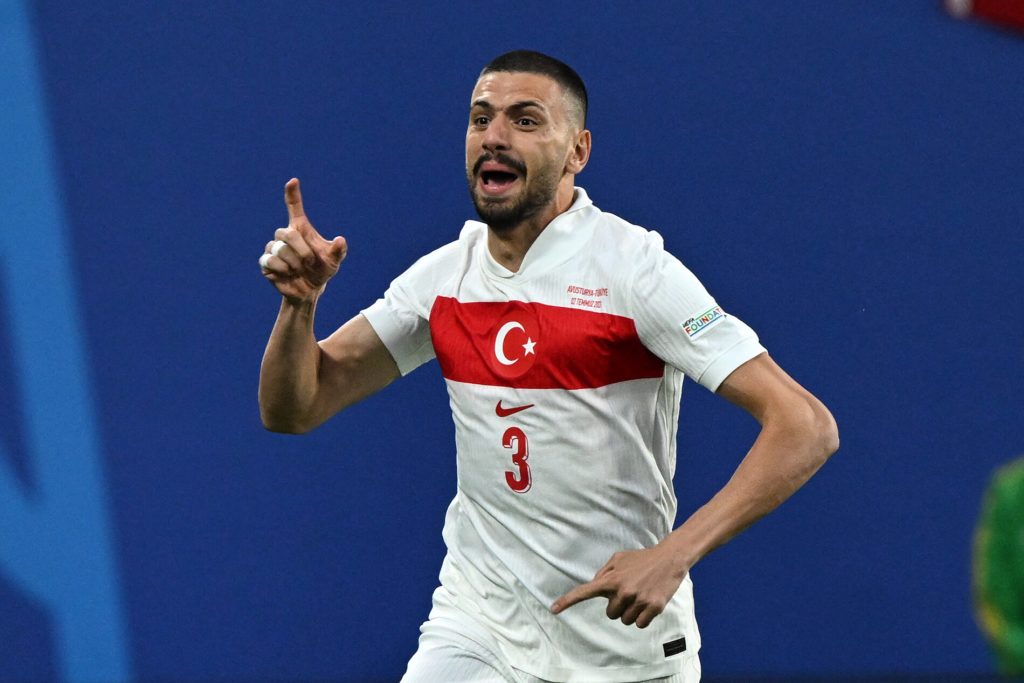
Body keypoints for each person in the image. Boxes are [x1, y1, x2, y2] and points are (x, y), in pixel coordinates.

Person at [258, 50, 839, 683]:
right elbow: (296, 408)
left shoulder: (635, 271)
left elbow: (805, 425)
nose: (494, 137)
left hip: (621, 651)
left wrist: (675, 555)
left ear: (577, 151)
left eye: (525, 120)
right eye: (480, 118)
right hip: (479, 625)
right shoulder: (444, 278)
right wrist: (299, 307)